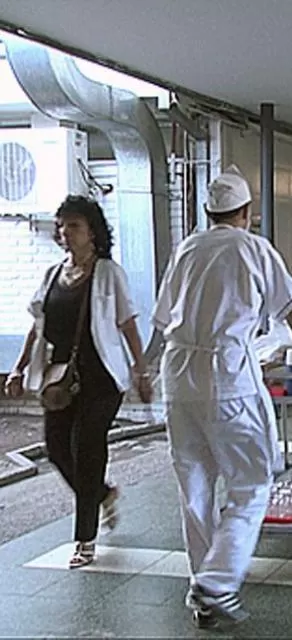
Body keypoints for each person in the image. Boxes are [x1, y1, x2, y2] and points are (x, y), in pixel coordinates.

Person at [152, 165, 292, 625]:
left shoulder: (186, 250)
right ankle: (217, 582)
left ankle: (201, 585)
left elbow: (162, 316)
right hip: (226, 376)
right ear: (246, 212)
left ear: (210, 212)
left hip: (177, 376)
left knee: (194, 488)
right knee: (251, 485)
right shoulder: (253, 248)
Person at [4, 195, 152, 568]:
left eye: (74, 226)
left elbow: (127, 323)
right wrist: (18, 368)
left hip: (101, 379)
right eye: (62, 226)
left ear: (92, 232)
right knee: (56, 448)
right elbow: (36, 329)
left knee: (87, 451)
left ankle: (85, 539)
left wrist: (141, 368)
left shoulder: (107, 273)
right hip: (60, 380)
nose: (65, 233)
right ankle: (102, 494)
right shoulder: (53, 275)